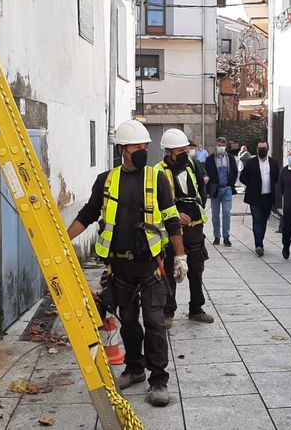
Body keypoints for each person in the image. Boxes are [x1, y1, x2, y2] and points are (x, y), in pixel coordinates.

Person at [66, 120, 187, 407]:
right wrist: (63, 240)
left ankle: (159, 380)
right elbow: (88, 213)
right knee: (129, 322)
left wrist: (180, 256)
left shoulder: (157, 179)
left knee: (155, 323)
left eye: (145, 145)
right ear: (122, 149)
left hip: (150, 265)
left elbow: (171, 218)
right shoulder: (106, 180)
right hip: (119, 267)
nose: (143, 150)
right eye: (137, 146)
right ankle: (134, 369)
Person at [157, 129, 215, 328]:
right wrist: (175, 215)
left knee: (196, 269)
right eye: (181, 150)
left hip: (195, 228)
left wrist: (196, 211)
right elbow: (154, 203)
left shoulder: (193, 165)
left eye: (186, 149)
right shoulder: (157, 172)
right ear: (169, 151)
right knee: (170, 270)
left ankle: (196, 309)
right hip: (173, 231)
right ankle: (167, 311)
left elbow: (201, 191)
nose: (186, 153)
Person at [239, 141, 279, 256]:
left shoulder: (273, 163)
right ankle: (258, 245)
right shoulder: (250, 163)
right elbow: (242, 177)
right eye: (260, 148)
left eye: (264, 148)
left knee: (264, 220)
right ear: (257, 149)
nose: (262, 150)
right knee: (257, 220)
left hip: (268, 197)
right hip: (255, 197)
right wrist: (252, 185)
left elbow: (276, 177)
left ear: (268, 149)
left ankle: (260, 240)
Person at [205, 137, 239, 247]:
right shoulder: (210, 159)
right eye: (219, 145)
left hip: (227, 189)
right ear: (215, 146)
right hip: (215, 189)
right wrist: (209, 188)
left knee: (226, 212)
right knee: (215, 214)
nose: (221, 147)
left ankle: (226, 236)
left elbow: (234, 171)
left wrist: (231, 183)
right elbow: (206, 173)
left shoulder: (230, 158)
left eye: (223, 145)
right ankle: (217, 236)